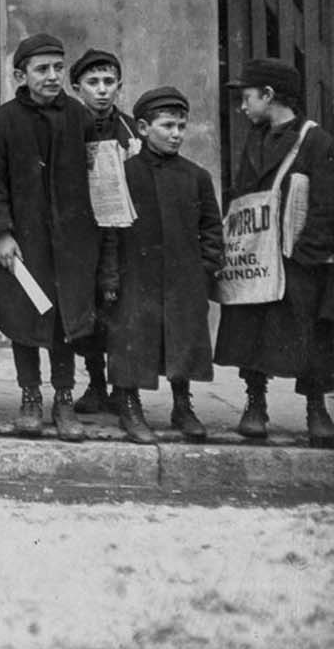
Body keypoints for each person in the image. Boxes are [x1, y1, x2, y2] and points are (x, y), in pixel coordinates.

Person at [0, 33, 107, 441]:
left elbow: (100, 178)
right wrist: (1, 233)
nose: (52, 76)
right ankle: (31, 397)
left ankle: (64, 399)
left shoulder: (80, 118)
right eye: (42, 69)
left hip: (72, 239)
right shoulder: (3, 121)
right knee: (26, 318)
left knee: (65, 322)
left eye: (58, 68)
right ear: (21, 74)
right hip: (25, 240)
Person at [214, 58, 334, 448]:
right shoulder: (256, 138)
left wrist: (308, 252)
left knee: (309, 334)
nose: (242, 107)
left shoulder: (316, 141)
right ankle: (255, 403)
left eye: (247, 97)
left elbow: (326, 203)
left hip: (299, 259)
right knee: (252, 327)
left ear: (269, 95)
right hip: (259, 256)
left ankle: (316, 408)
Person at [100, 87, 223, 444]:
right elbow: (109, 230)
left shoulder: (196, 176)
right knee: (130, 339)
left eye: (182, 126)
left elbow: (211, 228)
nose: (176, 134)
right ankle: (129, 404)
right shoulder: (124, 174)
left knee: (181, 339)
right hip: (134, 276)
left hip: (183, 277)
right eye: (167, 125)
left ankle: (182, 404)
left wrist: (204, 268)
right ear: (141, 128)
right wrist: (109, 276)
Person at [69, 47, 137, 416]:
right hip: (86, 234)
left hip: (124, 236)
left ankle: (123, 386)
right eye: (92, 82)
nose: (101, 90)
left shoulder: (132, 131)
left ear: (119, 86)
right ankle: (95, 382)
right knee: (90, 312)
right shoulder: (69, 127)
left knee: (123, 312)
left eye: (109, 82)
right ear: (78, 87)